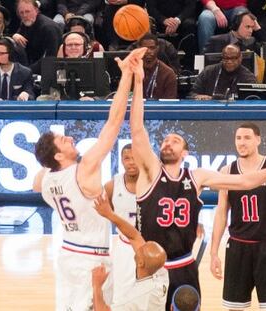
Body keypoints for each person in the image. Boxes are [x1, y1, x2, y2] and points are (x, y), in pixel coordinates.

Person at [129, 48, 266, 309]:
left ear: (185, 152)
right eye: (166, 140)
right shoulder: (150, 171)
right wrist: (137, 81)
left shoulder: (196, 176)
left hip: (185, 265)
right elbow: (137, 130)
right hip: (151, 263)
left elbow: (244, 183)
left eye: (175, 141)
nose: (168, 143)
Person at [32, 47, 147, 310]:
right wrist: (127, 76)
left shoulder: (45, 180)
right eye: (64, 140)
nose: (71, 138)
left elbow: (37, 179)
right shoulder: (83, 170)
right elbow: (114, 122)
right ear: (59, 157)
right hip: (91, 259)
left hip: (67, 256)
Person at [210, 122, 266, 311]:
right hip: (238, 248)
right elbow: (221, 213)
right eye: (238, 138)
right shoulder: (227, 171)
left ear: (258, 140)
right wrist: (213, 252)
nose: (242, 142)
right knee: (234, 308)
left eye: (247, 138)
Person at [92, 194, 168, 311]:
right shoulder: (162, 275)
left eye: (142, 249)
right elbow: (135, 236)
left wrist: (97, 286)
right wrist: (110, 214)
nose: (140, 246)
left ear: (141, 263)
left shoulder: (133, 299)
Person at [104, 143, 139, 304]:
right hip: (124, 247)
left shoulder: (154, 183)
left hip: (149, 245)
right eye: (127, 158)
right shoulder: (112, 186)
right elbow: (107, 214)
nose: (131, 162)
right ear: (121, 161)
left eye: (135, 158)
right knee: (120, 295)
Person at [190, 44, 256, 100]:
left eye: (233, 58)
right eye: (226, 58)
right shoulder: (208, 71)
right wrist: (198, 96)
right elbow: (192, 94)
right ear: (222, 58)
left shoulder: (248, 77)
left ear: (240, 58)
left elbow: (251, 99)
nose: (229, 62)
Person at [13, 0, 62, 74]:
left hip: (49, 71)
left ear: (36, 10)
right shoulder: (27, 22)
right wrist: (15, 36)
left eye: (27, 11)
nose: (24, 15)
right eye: (21, 12)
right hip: (31, 67)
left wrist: (26, 71)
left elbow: (50, 58)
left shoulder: (48, 28)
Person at [137, 32, 178, 99]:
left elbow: (170, 102)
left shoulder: (168, 74)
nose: (148, 51)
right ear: (138, 49)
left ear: (157, 48)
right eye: (145, 48)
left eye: (152, 48)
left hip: (160, 109)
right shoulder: (130, 71)